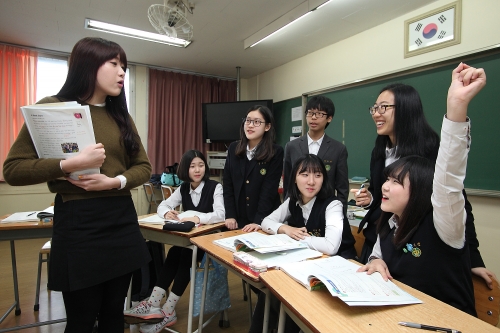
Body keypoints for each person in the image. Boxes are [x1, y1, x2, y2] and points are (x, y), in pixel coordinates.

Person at [3, 37, 152, 333]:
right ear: (88, 64)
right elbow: (13, 169)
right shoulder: (52, 108)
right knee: (82, 319)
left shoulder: (120, 115)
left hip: (121, 219)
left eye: (124, 65)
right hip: (78, 222)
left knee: (113, 314)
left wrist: (114, 181)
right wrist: (67, 164)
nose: (122, 72)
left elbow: (144, 168)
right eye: (114, 64)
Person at [357, 63, 486, 316]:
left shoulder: (428, 149)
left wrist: (472, 257)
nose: (376, 113)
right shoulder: (379, 148)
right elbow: (383, 194)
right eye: (374, 107)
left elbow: (452, 192)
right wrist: (373, 198)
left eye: (384, 107)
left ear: (405, 110)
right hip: (386, 238)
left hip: (427, 242)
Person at [250, 154, 357, 333]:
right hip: (311, 265)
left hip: (340, 267)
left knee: (291, 297)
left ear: (324, 178)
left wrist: (298, 239)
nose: (311, 181)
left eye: (317, 175)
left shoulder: (333, 205)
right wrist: (286, 229)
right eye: (305, 174)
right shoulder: (293, 201)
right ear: (294, 178)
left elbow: (331, 246)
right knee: (268, 291)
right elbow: (266, 222)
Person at [124, 149, 225, 333]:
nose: (197, 170)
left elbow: (220, 215)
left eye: (201, 165)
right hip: (187, 238)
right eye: (192, 166)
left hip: (205, 240)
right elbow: (164, 204)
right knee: (174, 252)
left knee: (186, 256)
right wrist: (166, 212)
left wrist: (197, 218)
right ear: (185, 169)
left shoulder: (214, 187)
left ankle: (168, 309)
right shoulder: (184, 187)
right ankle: (154, 304)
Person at [283, 96, 349, 213]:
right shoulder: (292, 146)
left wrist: (340, 214)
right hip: (296, 209)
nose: (313, 117)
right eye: (310, 113)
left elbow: (342, 188)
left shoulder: (338, 149)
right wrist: (286, 212)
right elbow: (288, 183)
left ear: (329, 118)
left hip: (324, 209)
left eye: (319, 114)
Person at [223, 105, 283, 232]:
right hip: (238, 218)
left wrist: (259, 221)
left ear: (267, 127)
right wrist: (230, 215)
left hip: (264, 218)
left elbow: (269, 190)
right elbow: (228, 185)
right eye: (248, 120)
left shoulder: (275, 152)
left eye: (256, 122)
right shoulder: (234, 148)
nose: (250, 125)